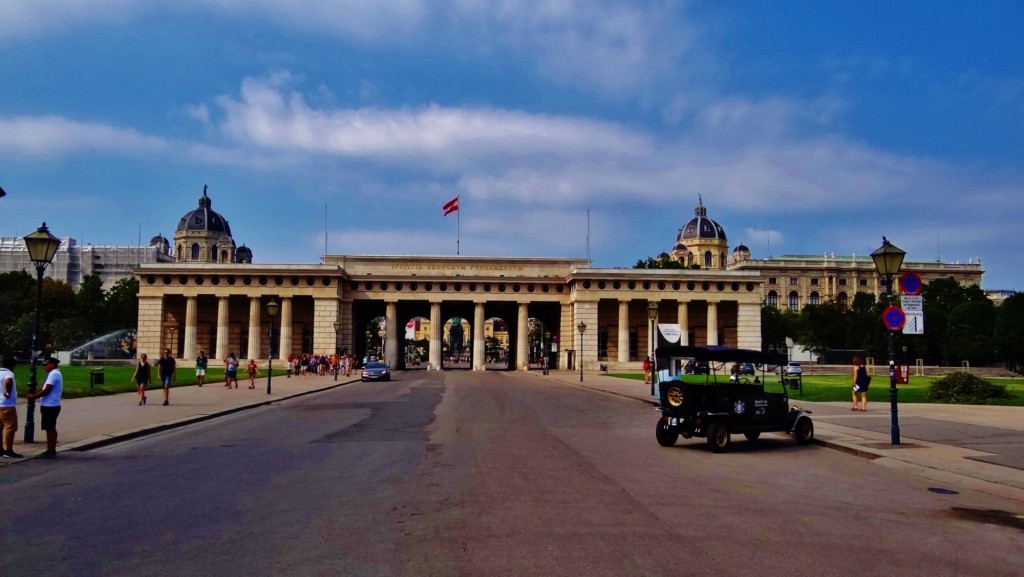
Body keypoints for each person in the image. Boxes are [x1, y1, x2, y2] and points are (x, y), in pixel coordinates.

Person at [24, 357, 62, 458]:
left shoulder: (54, 374)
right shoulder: (54, 373)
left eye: (46, 365)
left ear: (51, 364)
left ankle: (51, 451)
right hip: (50, 404)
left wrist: (34, 396)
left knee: (50, 428)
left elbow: (47, 390)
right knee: (49, 428)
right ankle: (50, 450)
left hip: (50, 405)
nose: (44, 367)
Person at [1, 356, 22, 458]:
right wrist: (8, 392)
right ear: (12, 365)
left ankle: (0, 449)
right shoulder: (9, 373)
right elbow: (8, 381)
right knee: (10, 428)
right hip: (7, 405)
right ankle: (9, 450)